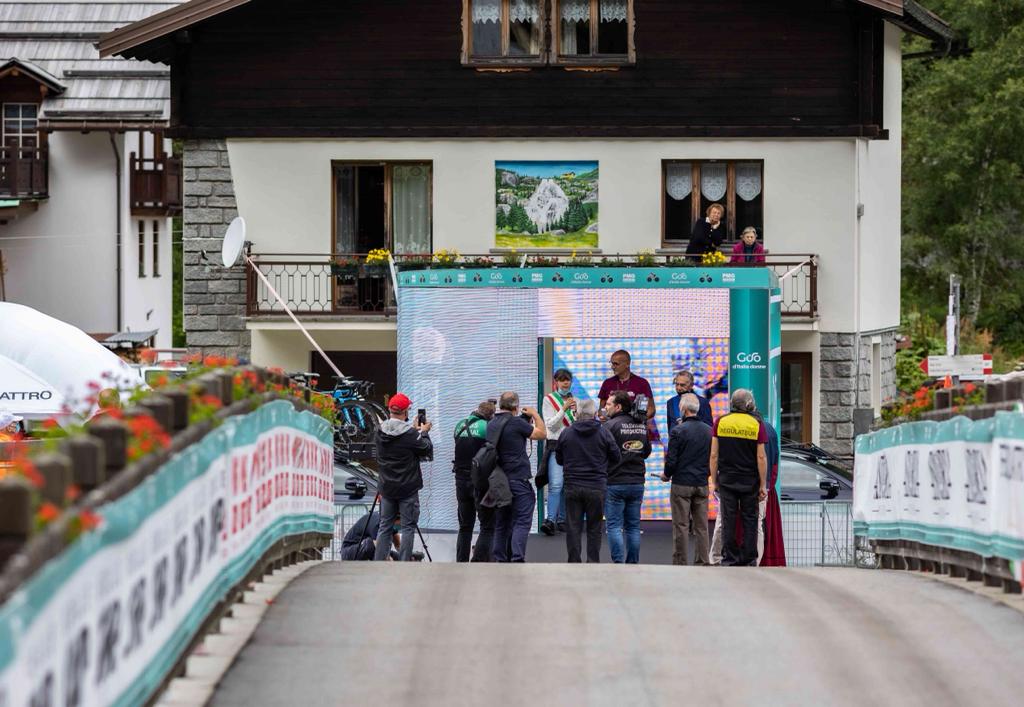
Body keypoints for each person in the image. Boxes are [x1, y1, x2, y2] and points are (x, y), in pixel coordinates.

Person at [556, 400, 620, 563]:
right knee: (594, 528)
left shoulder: (566, 433)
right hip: (596, 486)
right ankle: (593, 562)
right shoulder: (604, 432)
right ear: (595, 414)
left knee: (573, 527)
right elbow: (616, 457)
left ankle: (574, 562)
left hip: (572, 486)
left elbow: (559, 459)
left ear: (576, 413)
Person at [709, 389, 767, 567]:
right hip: (750, 480)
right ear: (749, 404)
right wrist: (762, 484)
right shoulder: (756, 424)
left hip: (727, 479)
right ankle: (749, 558)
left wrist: (714, 481)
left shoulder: (721, 422)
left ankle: (730, 558)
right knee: (750, 519)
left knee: (728, 520)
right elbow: (761, 457)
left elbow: (714, 455)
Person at [373, 393, 433, 561]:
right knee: (408, 528)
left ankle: (378, 563)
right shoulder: (411, 435)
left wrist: (414, 430)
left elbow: (399, 438)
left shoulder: (379, 431)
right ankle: (404, 564)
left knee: (385, 527)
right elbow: (426, 449)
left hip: (387, 488)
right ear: (406, 412)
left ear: (390, 410)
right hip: (408, 488)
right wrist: (423, 432)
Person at [490, 391, 545, 562]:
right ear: (516, 406)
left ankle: (500, 559)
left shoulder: (492, 423)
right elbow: (541, 434)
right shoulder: (516, 423)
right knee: (522, 520)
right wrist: (535, 414)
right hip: (518, 479)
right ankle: (517, 559)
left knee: (502, 523)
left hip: (498, 480)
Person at [662, 393, 712, 565]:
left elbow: (672, 460)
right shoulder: (709, 431)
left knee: (681, 526)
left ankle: (680, 562)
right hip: (702, 483)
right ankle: (703, 561)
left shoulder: (677, 431)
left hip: (681, 484)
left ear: (683, 409)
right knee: (702, 527)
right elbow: (713, 457)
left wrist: (666, 475)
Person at [603, 391, 652, 564]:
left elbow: (602, 452)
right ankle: (632, 564)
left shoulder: (609, 426)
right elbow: (646, 452)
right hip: (637, 481)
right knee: (633, 527)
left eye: (608, 404)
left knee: (614, 526)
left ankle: (618, 564)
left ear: (618, 406)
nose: (605, 407)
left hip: (615, 481)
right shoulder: (641, 425)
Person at [452, 401, 495, 562]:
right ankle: (478, 562)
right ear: (490, 416)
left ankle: (461, 563)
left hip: (460, 480)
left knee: (465, 526)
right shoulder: (487, 427)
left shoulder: (459, 425)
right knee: (487, 525)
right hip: (480, 481)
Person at [540, 369, 577, 535]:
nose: (565, 383)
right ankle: (550, 520)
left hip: (572, 446)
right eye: (562, 380)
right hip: (556, 445)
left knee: (567, 485)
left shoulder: (574, 400)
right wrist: (563, 409)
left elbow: (576, 424)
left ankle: (563, 520)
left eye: (568, 380)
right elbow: (550, 425)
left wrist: (575, 412)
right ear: (556, 382)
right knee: (556, 484)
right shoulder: (549, 399)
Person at [598, 350, 655, 434]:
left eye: (616, 364)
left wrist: (636, 421)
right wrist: (603, 416)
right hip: (613, 430)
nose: (612, 367)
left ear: (627, 364)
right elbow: (601, 408)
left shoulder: (642, 383)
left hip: (635, 431)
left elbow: (651, 409)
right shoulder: (607, 383)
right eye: (612, 363)